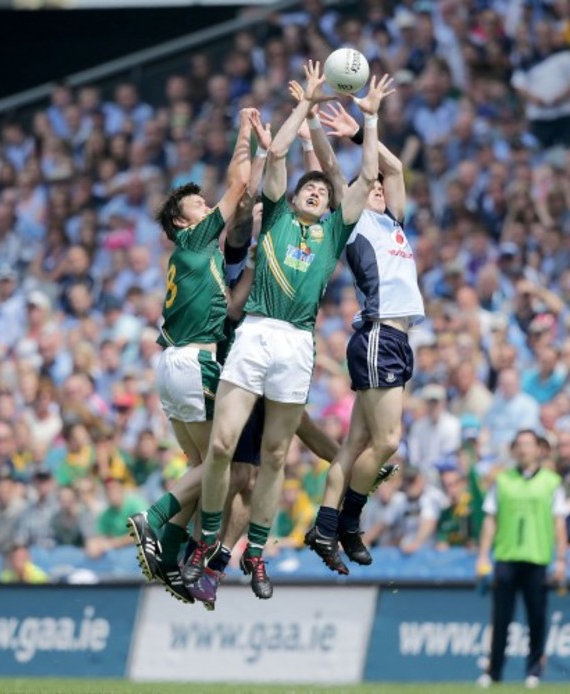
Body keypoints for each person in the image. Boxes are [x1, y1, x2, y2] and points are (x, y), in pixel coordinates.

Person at [183, 62, 391, 600]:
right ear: (294, 197)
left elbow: (367, 177)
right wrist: (306, 103)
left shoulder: (334, 232)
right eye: (311, 189)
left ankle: (255, 553)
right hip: (255, 333)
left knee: (276, 456)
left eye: (324, 192)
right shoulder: (275, 215)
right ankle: (206, 545)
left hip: (297, 342)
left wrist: (369, 122)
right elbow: (275, 156)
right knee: (225, 446)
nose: (318, 193)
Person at [126, 107, 253, 602]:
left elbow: (227, 309)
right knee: (228, 465)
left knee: (205, 467)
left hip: (174, 364)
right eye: (199, 205)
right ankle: (155, 518)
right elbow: (239, 183)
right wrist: (245, 131)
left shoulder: (201, 261)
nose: (207, 209)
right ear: (183, 221)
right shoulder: (193, 240)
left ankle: (171, 551)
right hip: (193, 363)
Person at [296, 98, 424, 573]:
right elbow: (333, 172)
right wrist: (322, 130)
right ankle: (347, 523)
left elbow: (391, 166)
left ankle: (325, 528)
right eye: (366, 186)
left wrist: (361, 129)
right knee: (387, 441)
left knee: (356, 446)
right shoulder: (354, 222)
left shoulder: (393, 219)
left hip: (397, 340)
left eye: (376, 187)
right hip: (378, 336)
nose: (375, 187)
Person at [476, 429, 567, 688]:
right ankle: (494, 672)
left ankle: (534, 671)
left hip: (537, 559)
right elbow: (490, 519)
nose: (523, 449)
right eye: (519, 445)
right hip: (506, 558)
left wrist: (560, 560)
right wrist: (483, 555)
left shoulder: (551, 482)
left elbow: (559, 522)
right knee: (501, 619)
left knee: (537, 618)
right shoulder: (503, 481)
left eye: (528, 444)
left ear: (539, 449)